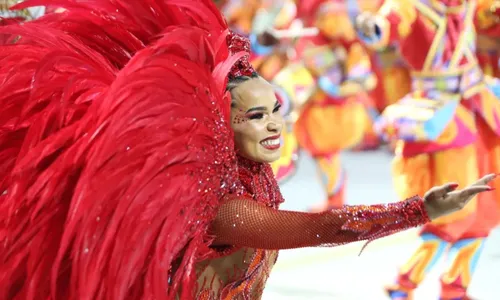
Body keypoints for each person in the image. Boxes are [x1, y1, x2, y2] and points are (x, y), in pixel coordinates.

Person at [0, 0, 495, 299]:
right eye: (256, 116)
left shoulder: (248, 172)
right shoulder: (226, 207)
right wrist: (419, 209)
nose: (276, 123)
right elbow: (320, 227)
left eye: (275, 107)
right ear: (222, 124)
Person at [356, 0, 500, 298]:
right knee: (454, 210)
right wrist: (374, 27)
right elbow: (388, 24)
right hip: (443, 114)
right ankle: (404, 284)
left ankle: (455, 288)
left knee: (485, 210)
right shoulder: (411, 5)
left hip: (479, 109)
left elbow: (490, 15)